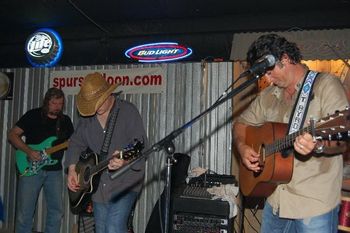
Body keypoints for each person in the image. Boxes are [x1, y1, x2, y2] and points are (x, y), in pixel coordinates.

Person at [233, 34, 348, 233]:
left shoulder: (326, 85)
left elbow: (342, 140)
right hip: (276, 197)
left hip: (313, 204)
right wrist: (243, 147)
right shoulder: (269, 95)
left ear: (285, 59)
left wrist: (318, 145)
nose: (267, 79)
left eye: (269, 72)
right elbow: (241, 124)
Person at [65, 72, 148, 233]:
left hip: (126, 181)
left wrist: (125, 160)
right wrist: (71, 169)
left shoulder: (128, 111)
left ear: (108, 94)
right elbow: (75, 143)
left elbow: (140, 144)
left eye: (97, 102)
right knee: (101, 229)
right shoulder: (87, 120)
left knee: (114, 227)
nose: (94, 108)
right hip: (98, 186)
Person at [8, 88, 74, 233]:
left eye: (60, 103)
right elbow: (12, 135)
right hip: (30, 168)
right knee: (25, 213)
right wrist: (29, 151)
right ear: (46, 102)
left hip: (54, 171)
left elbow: (73, 143)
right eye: (54, 103)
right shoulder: (33, 115)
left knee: (56, 211)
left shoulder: (65, 121)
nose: (57, 106)